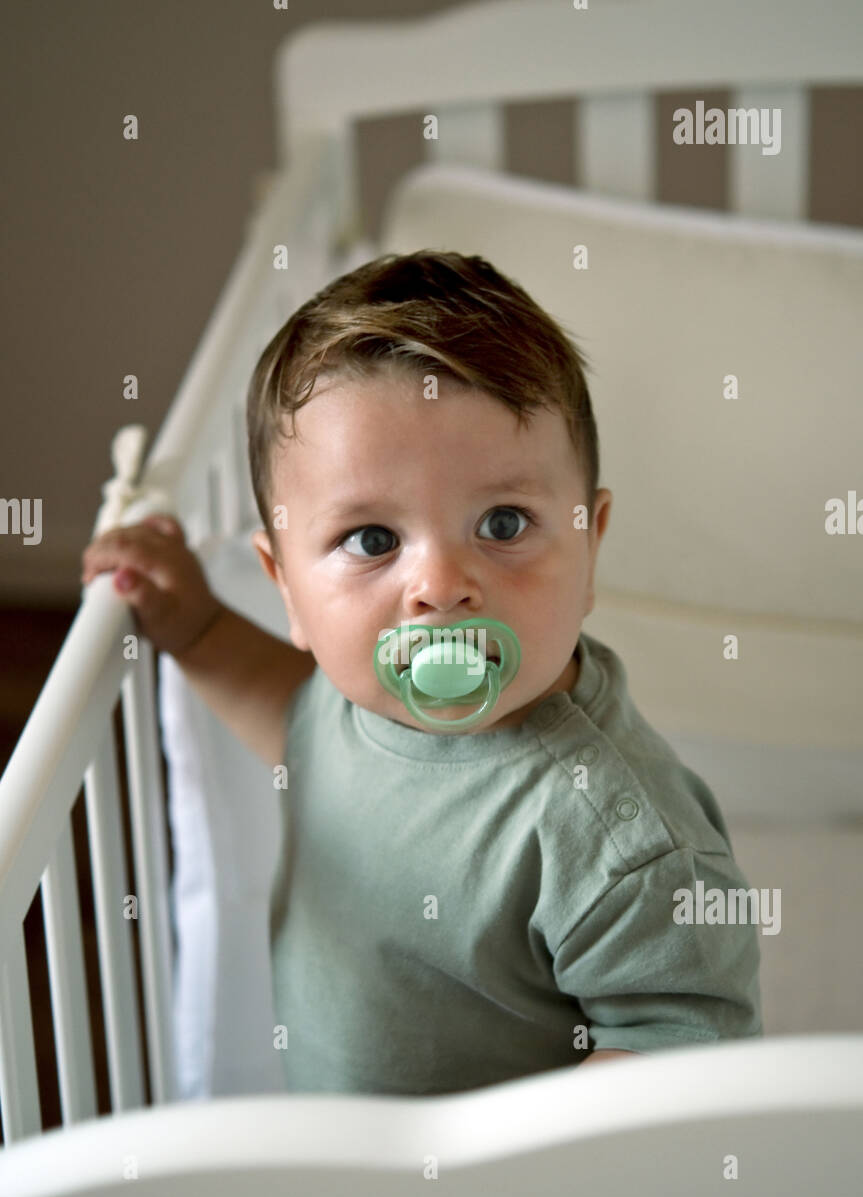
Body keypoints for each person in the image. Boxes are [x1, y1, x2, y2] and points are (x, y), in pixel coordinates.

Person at [81, 250, 762, 1095]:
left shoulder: (616, 839)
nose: (440, 586)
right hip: (358, 1167)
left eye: (503, 522)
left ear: (590, 545)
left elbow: (685, 1052)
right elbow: (291, 715)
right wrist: (193, 627)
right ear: (285, 585)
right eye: (372, 539)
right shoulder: (343, 709)